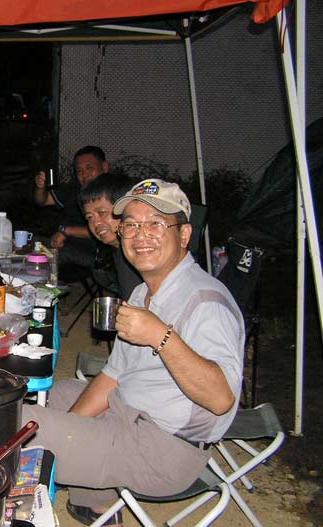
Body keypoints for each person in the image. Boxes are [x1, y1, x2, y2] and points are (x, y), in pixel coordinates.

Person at [23, 178, 244, 527]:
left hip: (165, 449)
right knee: (50, 396)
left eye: (156, 224)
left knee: (14, 427)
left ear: (184, 235)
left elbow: (220, 400)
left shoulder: (206, 303)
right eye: (131, 225)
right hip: (129, 411)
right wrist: (73, 426)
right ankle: (95, 503)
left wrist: (160, 336)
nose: (141, 235)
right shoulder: (143, 293)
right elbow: (112, 376)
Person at [34, 145, 109, 268]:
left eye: (89, 168)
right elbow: (43, 200)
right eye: (79, 171)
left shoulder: (112, 192)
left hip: (92, 253)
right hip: (65, 244)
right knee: (28, 242)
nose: (84, 174)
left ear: (104, 167)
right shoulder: (75, 190)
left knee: (44, 258)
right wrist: (40, 187)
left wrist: (65, 231)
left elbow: (109, 229)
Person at [78, 173, 141, 300]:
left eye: (102, 212)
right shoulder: (120, 251)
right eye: (89, 217)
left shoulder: (143, 252)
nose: (96, 223)